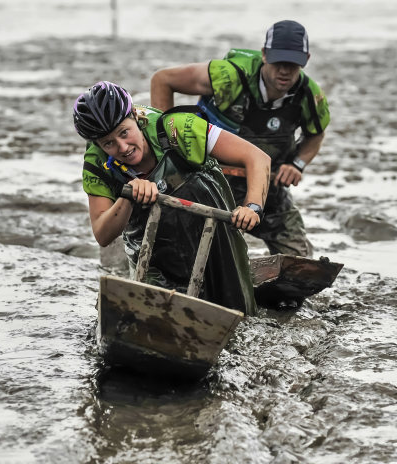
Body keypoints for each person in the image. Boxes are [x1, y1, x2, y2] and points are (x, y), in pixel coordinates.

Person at [73, 81, 271, 316]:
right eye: (109, 143)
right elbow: (102, 234)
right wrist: (128, 196)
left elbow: (257, 158)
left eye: (124, 133)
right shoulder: (96, 163)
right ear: (98, 145)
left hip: (214, 236)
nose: (123, 147)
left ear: (135, 116)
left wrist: (252, 207)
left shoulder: (177, 127)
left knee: (239, 314)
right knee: (153, 315)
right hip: (155, 253)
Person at [150, 20, 330, 257]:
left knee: (300, 261)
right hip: (211, 180)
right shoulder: (229, 76)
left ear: (306, 59)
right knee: (194, 254)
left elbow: (315, 135)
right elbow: (163, 80)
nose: (285, 71)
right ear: (265, 55)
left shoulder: (310, 96)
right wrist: (167, 149)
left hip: (267, 185)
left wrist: (297, 164)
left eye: (293, 63)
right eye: (279, 62)